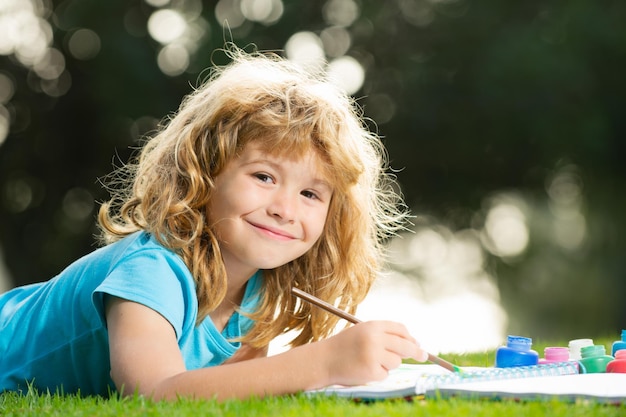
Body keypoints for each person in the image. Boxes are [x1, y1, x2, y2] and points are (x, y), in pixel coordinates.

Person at [0, 46, 427, 400]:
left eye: (311, 194)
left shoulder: (257, 288)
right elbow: (154, 395)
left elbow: (235, 392)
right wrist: (327, 361)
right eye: (264, 176)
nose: (285, 208)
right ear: (203, 174)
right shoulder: (154, 270)